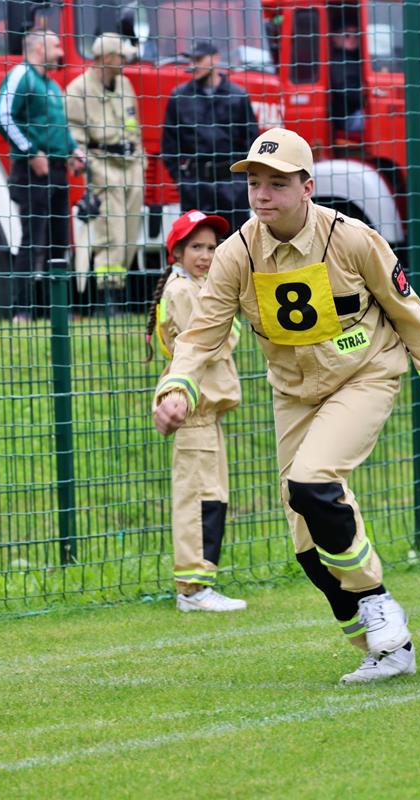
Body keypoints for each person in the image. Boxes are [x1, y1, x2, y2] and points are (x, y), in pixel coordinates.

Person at [152, 128, 420, 684]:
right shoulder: (236, 254)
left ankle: (377, 599)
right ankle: (383, 648)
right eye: (254, 183)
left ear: (307, 187)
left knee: (313, 483)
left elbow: (408, 312)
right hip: (293, 391)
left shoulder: (353, 239)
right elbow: (201, 334)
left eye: (277, 184)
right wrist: (176, 387)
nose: (262, 195)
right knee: (305, 537)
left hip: (365, 375)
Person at [145, 210, 249, 611]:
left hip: (208, 414)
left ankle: (201, 582)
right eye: (196, 247)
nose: (206, 255)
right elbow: (211, 342)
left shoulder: (199, 287)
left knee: (213, 496)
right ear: (177, 253)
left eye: (211, 247)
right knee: (198, 499)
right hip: (194, 412)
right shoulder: (185, 291)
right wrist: (231, 318)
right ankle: (192, 588)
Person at [0, 29, 86, 323]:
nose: (61, 53)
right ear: (39, 49)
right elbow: (1, 115)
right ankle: (22, 311)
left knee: (59, 241)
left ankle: (57, 310)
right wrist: (31, 152)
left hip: (57, 171)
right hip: (32, 173)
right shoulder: (22, 75)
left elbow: (59, 127)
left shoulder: (52, 85)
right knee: (33, 241)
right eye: (57, 46)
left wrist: (73, 151)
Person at [65, 33, 146, 314]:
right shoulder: (78, 90)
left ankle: (120, 292)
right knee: (110, 234)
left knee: (130, 233)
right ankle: (107, 300)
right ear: (107, 57)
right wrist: (91, 169)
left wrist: (141, 161)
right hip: (102, 166)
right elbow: (74, 140)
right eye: (121, 56)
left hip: (131, 167)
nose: (125, 61)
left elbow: (135, 125)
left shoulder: (125, 84)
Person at [160, 40, 260, 233]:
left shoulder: (237, 96)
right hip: (195, 188)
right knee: (196, 242)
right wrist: (183, 181)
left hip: (232, 186)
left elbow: (251, 142)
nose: (193, 66)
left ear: (215, 59)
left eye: (198, 60)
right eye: (191, 61)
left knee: (236, 244)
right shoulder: (179, 97)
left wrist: (242, 182)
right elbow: (169, 145)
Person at [329, 22, 365, 138]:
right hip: (348, 117)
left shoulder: (355, 56)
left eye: (356, 34)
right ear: (335, 38)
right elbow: (347, 89)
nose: (352, 38)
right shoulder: (338, 61)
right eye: (347, 35)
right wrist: (368, 96)